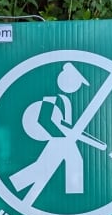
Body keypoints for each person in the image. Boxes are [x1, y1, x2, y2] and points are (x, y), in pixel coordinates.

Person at [9, 63, 105, 203]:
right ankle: (73, 198)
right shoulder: (52, 97)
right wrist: (64, 134)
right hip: (58, 139)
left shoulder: (66, 100)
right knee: (65, 163)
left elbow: (68, 125)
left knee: (58, 164)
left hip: (65, 140)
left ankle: (74, 198)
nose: (78, 86)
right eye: (76, 82)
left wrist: (71, 134)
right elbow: (43, 120)